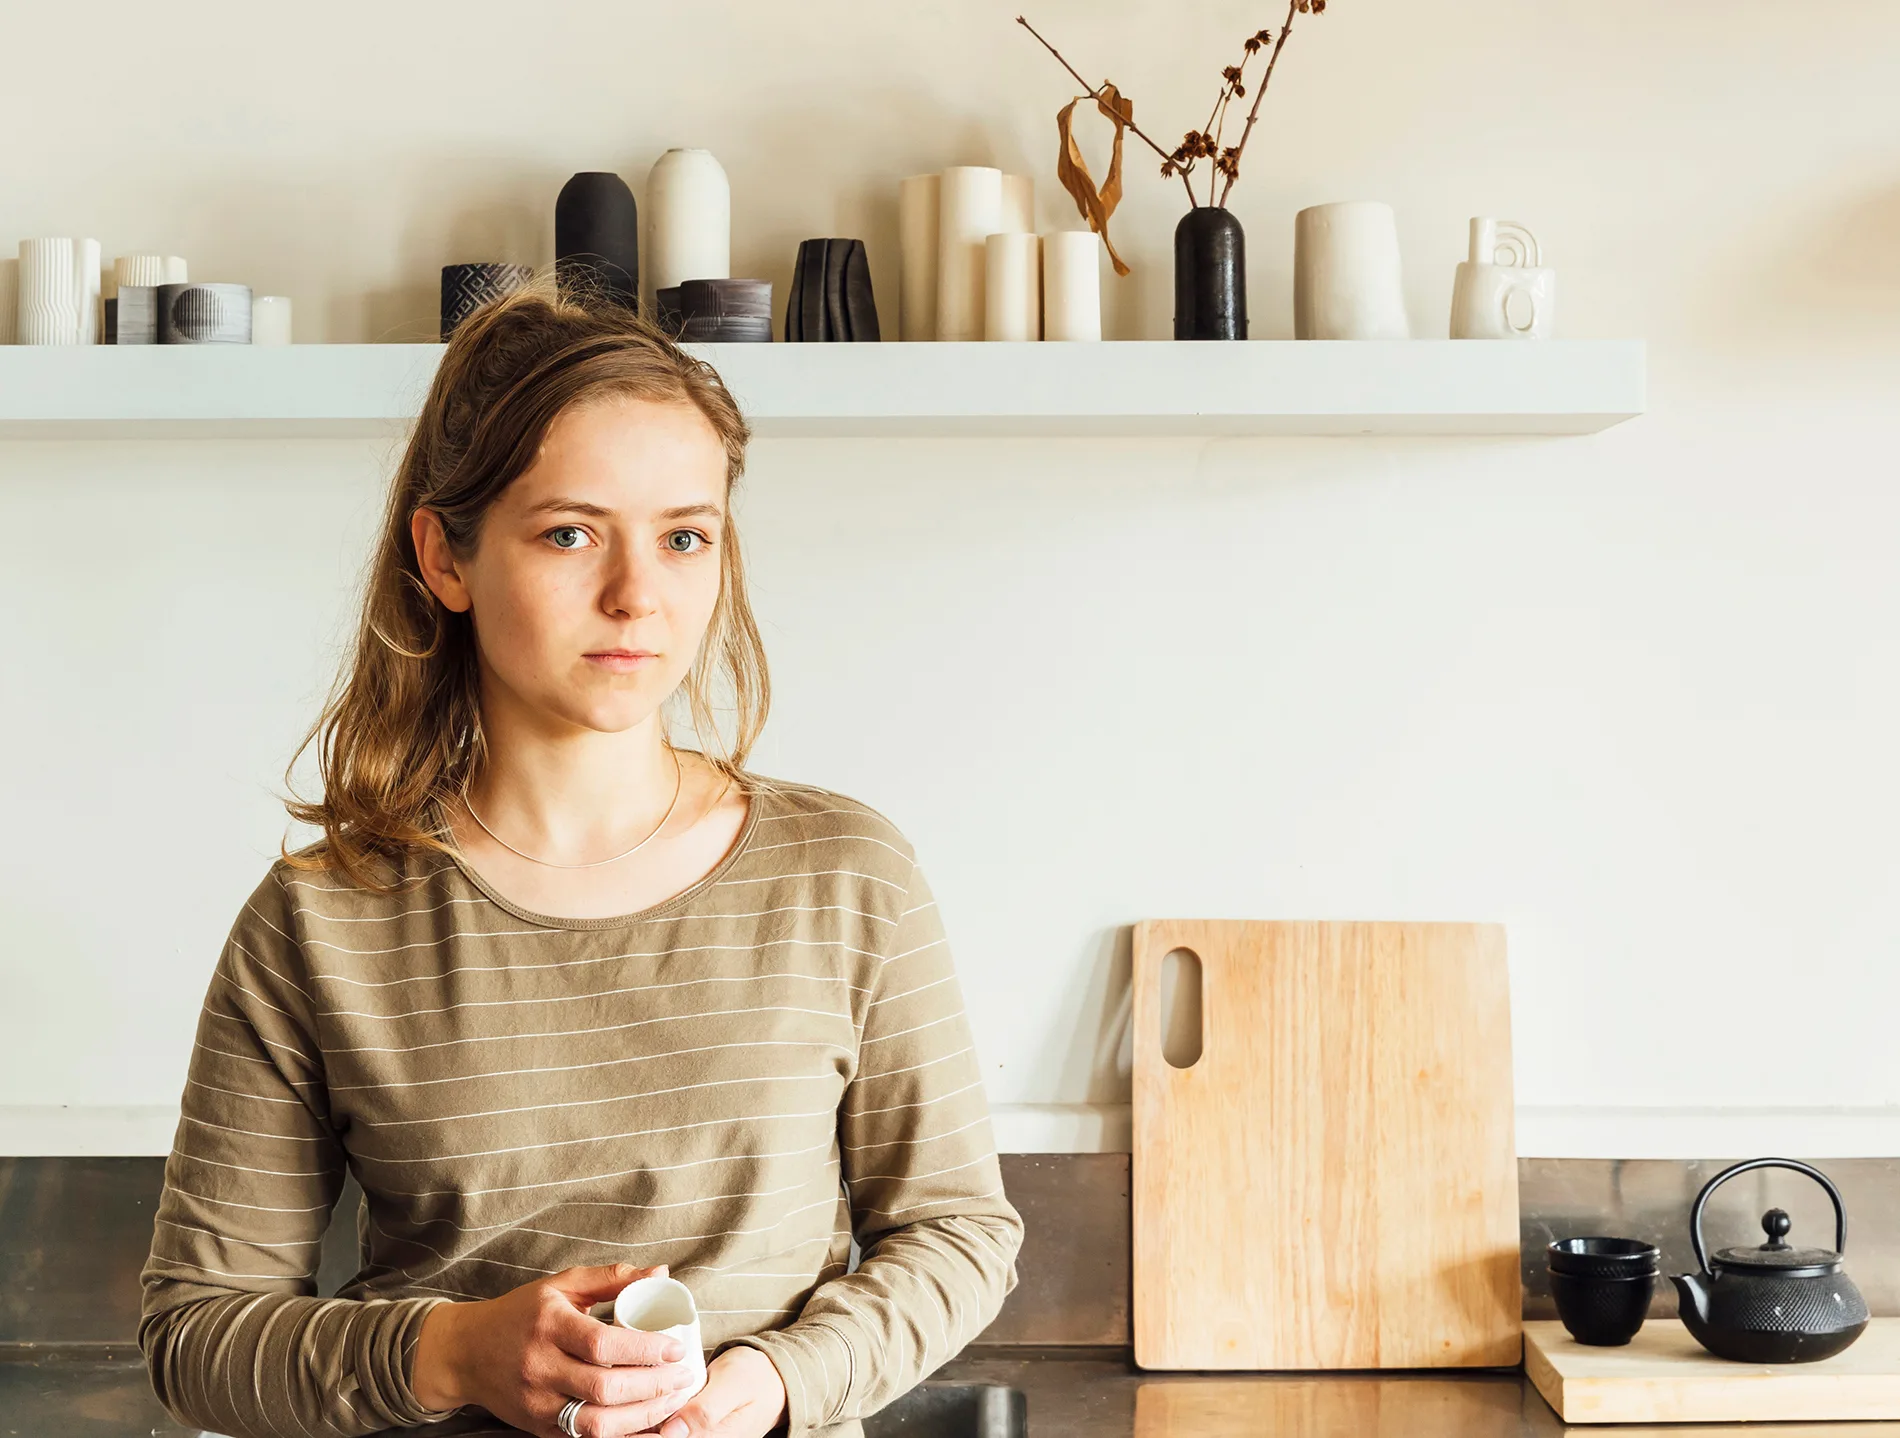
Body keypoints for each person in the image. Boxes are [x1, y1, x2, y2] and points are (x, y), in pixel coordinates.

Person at [137, 276, 1024, 1438]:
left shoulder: (846, 874)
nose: (635, 595)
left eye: (683, 537)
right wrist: (449, 1350)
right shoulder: (321, 919)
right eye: (569, 532)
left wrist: (764, 1388)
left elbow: (961, 1234)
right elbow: (196, 1327)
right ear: (445, 561)